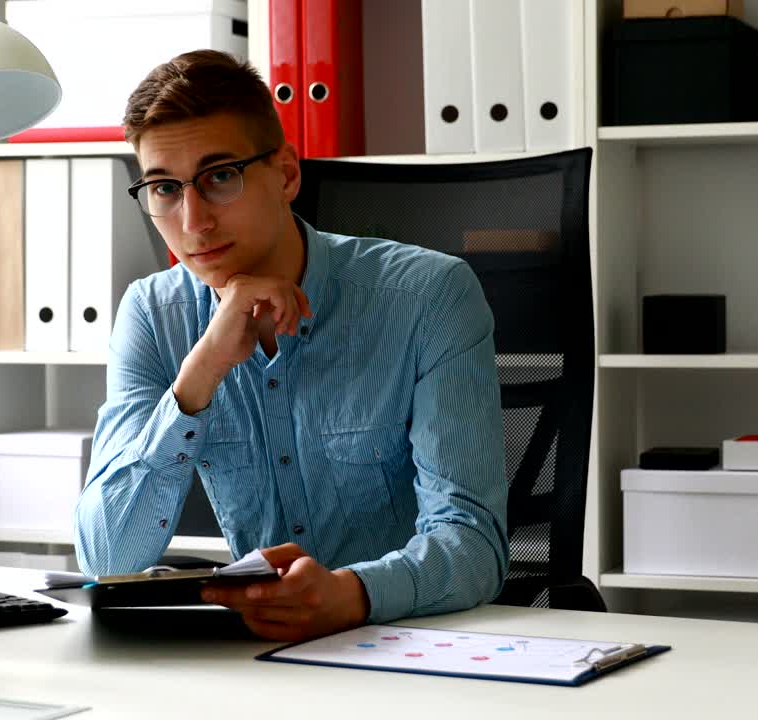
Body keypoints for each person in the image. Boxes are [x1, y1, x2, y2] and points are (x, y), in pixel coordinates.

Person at [74, 49, 507, 642]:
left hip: (416, 650)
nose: (193, 221)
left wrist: (352, 595)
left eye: (219, 177)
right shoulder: (153, 314)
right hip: (260, 661)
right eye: (164, 188)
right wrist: (201, 372)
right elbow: (105, 558)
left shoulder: (429, 296)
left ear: (286, 174)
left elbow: (475, 544)